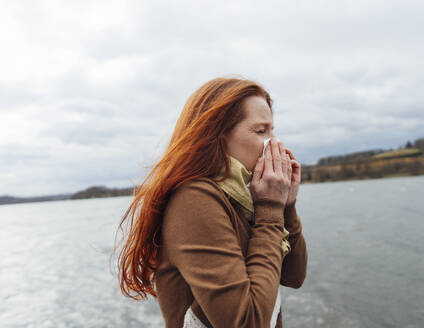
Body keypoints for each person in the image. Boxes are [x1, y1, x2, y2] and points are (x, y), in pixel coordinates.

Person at [115, 76, 308, 328]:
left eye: (273, 131)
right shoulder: (193, 198)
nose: (275, 144)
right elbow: (247, 323)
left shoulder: (241, 197)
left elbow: (293, 276)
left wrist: (286, 206)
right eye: (261, 131)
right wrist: (270, 209)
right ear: (216, 135)